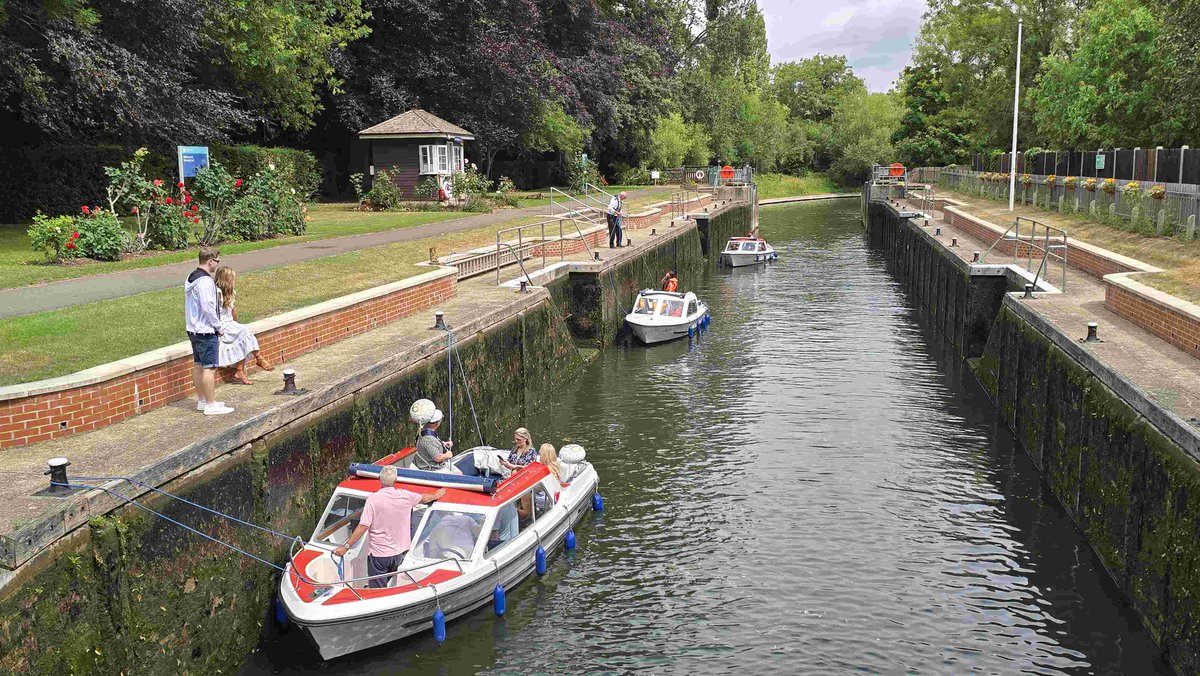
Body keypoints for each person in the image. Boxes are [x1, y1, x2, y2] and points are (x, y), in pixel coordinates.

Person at [333, 465, 445, 588]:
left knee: (377, 591)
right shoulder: (406, 496)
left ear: (380, 479)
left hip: (379, 556)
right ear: (395, 480)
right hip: (399, 554)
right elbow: (424, 498)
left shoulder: (373, 500)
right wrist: (436, 495)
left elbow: (363, 526)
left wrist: (346, 547)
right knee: (391, 583)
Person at [185, 248, 233, 415]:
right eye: (217, 261)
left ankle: (202, 401)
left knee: (198, 365)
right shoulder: (205, 282)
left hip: (193, 329)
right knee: (209, 368)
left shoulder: (191, 277)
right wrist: (218, 327)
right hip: (206, 331)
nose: (217, 265)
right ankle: (211, 405)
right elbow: (208, 307)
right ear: (210, 261)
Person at [213, 266, 274, 385]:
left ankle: (239, 371)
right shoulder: (216, 293)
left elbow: (233, 312)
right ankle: (259, 358)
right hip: (221, 326)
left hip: (229, 324)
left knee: (243, 335)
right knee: (244, 332)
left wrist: (236, 324)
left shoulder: (231, 292)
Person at [414, 409, 462, 473]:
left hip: (429, 463)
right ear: (437, 423)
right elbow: (438, 458)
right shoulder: (428, 439)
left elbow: (430, 445)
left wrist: (443, 444)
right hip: (432, 469)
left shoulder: (423, 430)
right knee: (458, 474)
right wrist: (448, 455)